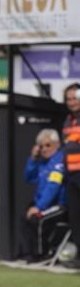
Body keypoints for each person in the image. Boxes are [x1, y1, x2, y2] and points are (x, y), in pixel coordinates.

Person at [19, 129, 66, 263]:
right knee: (24, 217)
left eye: (48, 145)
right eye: (41, 146)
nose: (44, 149)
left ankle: (41, 254)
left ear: (57, 144)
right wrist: (33, 159)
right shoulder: (43, 163)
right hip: (45, 203)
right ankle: (28, 253)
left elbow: (53, 187)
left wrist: (39, 207)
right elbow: (28, 178)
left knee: (37, 218)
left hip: (60, 205)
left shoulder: (59, 162)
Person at [61, 83, 80, 269]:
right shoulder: (68, 120)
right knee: (75, 217)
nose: (71, 102)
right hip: (72, 176)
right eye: (69, 99)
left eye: (75, 98)